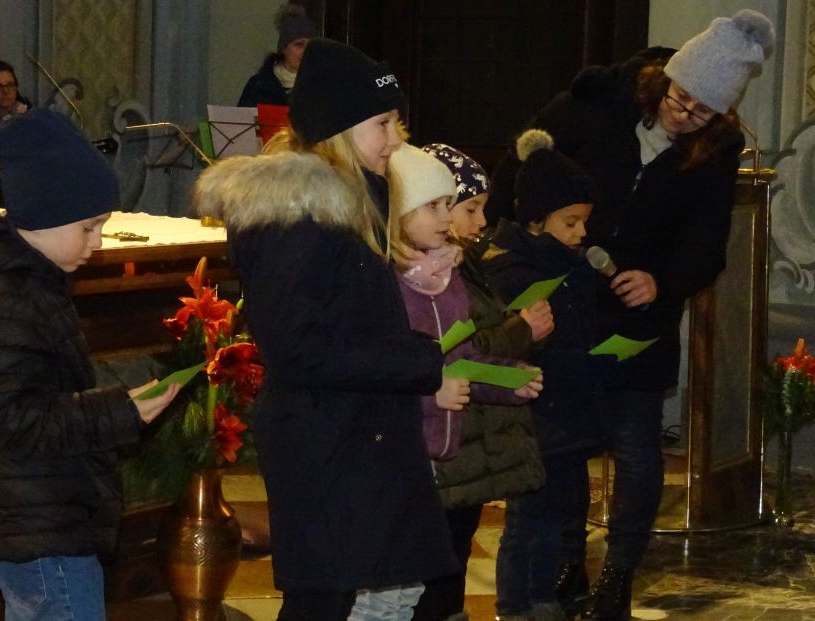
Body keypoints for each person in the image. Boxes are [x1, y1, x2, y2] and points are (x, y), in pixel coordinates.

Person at [485, 11, 775, 620]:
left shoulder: (718, 148)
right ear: (666, 79)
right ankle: (567, 562)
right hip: (566, 301)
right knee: (563, 445)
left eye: (702, 112)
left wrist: (660, 281)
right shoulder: (597, 100)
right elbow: (522, 163)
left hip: (640, 314)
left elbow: (707, 243)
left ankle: (617, 575)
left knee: (636, 446)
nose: (684, 116)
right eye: (680, 98)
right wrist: (519, 245)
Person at [195, 38, 459, 621]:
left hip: (352, 431)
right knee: (322, 599)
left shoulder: (347, 201)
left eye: (396, 123)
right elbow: (296, 347)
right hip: (323, 439)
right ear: (337, 130)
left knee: (340, 593)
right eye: (382, 124)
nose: (396, 139)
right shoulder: (299, 216)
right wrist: (415, 362)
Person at [0, 108, 180, 621]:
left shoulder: (34, 284)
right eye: (89, 227)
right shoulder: (14, 298)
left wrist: (121, 406)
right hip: (37, 525)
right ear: (44, 217)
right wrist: (118, 413)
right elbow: (7, 418)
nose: (98, 242)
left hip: (38, 515)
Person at [387, 144, 546, 621]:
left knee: (449, 562)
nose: (475, 220)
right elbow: (384, 370)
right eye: (442, 205)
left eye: (449, 204)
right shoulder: (388, 281)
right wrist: (432, 390)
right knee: (407, 583)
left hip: (456, 447)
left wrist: (507, 382)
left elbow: (464, 356)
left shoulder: (450, 273)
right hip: (412, 456)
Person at [472, 129, 605, 621]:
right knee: (528, 520)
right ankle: (515, 606)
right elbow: (505, 343)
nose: (581, 233)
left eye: (584, 222)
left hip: (566, 414)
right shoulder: (512, 271)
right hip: (532, 417)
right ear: (534, 220)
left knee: (561, 516)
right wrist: (536, 334)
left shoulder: (569, 263)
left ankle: (546, 599)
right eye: (571, 222)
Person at [237, 3, 317, 107]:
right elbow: (242, 115)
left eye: (310, 45)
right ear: (283, 48)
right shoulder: (259, 85)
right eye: (298, 45)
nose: (305, 51)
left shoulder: (321, 86)